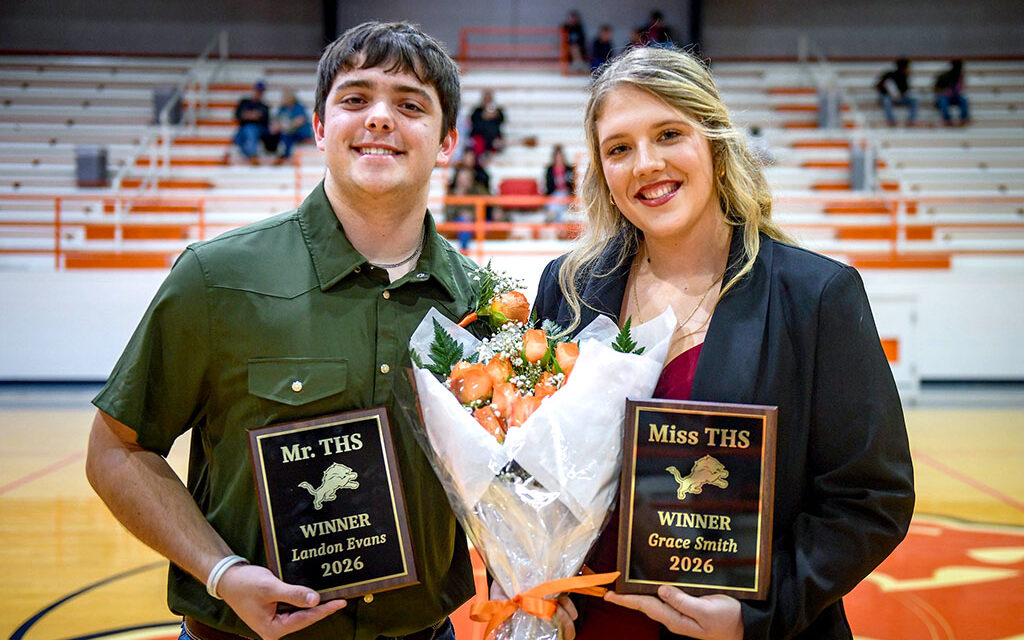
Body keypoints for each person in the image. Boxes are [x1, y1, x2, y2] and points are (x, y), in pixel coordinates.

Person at [86, 21, 484, 640]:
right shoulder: (217, 278)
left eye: (410, 105)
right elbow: (116, 451)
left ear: (447, 142)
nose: (380, 118)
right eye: (355, 99)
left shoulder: (480, 304)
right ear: (321, 127)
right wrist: (220, 572)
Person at [533, 45, 914, 640]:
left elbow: (870, 497)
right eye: (619, 148)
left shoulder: (816, 295)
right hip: (590, 625)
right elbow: (529, 475)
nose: (646, 164)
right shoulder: (569, 289)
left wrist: (761, 614)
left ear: (712, 140)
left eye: (668, 134)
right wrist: (529, 575)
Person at [267, 89, 315, 162]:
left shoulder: (298, 107)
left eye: (287, 97)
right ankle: (272, 154)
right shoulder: (282, 108)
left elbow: (300, 120)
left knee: (287, 136)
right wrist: (278, 126)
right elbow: (277, 120)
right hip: (286, 131)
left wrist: (286, 126)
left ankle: (286, 157)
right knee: (272, 133)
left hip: (299, 132)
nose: (285, 98)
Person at [231, 80, 271, 165]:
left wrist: (247, 115)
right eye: (257, 90)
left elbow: (265, 121)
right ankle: (250, 156)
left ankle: (253, 155)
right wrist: (253, 116)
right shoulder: (244, 102)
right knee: (237, 138)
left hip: (258, 129)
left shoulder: (264, 106)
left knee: (250, 130)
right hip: (243, 128)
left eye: (260, 91)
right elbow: (238, 116)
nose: (258, 93)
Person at [876, 58, 918, 126]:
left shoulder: (904, 77)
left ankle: (911, 120)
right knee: (886, 100)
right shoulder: (889, 74)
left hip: (900, 98)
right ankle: (892, 120)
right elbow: (878, 86)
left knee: (914, 100)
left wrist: (899, 94)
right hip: (889, 97)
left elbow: (906, 90)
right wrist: (888, 90)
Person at [544, 144, 575, 221]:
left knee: (560, 197)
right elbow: (548, 186)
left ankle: (551, 216)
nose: (559, 158)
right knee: (559, 208)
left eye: (560, 156)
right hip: (554, 195)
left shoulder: (569, 169)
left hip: (566, 195)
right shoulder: (550, 169)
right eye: (557, 156)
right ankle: (557, 225)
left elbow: (571, 185)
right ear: (554, 157)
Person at [469, 89, 505, 156]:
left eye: (489, 98)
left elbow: (502, 121)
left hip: (493, 139)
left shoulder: (498, 111)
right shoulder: (477, 111)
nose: (487, 100)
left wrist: (495, 115)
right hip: (480, 138)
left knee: (498, 143)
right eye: (486, 98)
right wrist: (483, 116)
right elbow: (473, 123)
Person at [934, 59, 970, 126]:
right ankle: (947, 119)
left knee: (963, 100)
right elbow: (935, 89)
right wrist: (944, 92)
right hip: (944, 96)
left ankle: (963, 118)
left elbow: (960, 89)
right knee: (943, 101)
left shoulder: (959, 77)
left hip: (955, 96)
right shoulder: (943, 76)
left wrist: (959, 86)